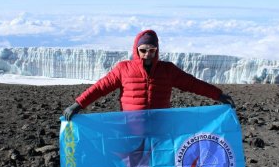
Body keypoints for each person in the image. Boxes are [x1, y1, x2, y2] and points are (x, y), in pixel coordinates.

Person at [63, 29, 235, 120]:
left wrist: (218, 95)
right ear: (136, 50)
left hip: (160, 127)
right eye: (143, 50)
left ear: (156, 50)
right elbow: (100, 88)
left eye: (152, 50)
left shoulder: (167, 70)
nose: (147, 54)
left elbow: (193, 84)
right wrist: (77, 105)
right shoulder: (124, 69)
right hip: (130, 128)